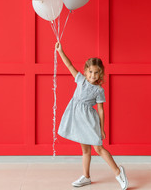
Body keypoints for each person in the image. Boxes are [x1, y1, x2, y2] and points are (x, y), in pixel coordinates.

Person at [55, 42, 128, 190]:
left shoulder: (98, 90)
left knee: (99, 149)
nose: (93, 75)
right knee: (85, 150)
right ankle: (86, 177)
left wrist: (102, 129)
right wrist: (60, 51)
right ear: (86, 71)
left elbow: (101, 110)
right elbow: (69, 66)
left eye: (96, 73)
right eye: (90, 72)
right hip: (77, 119)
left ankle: (118, 172)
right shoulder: (80, 80)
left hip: (89, 121)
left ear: (100, 73)